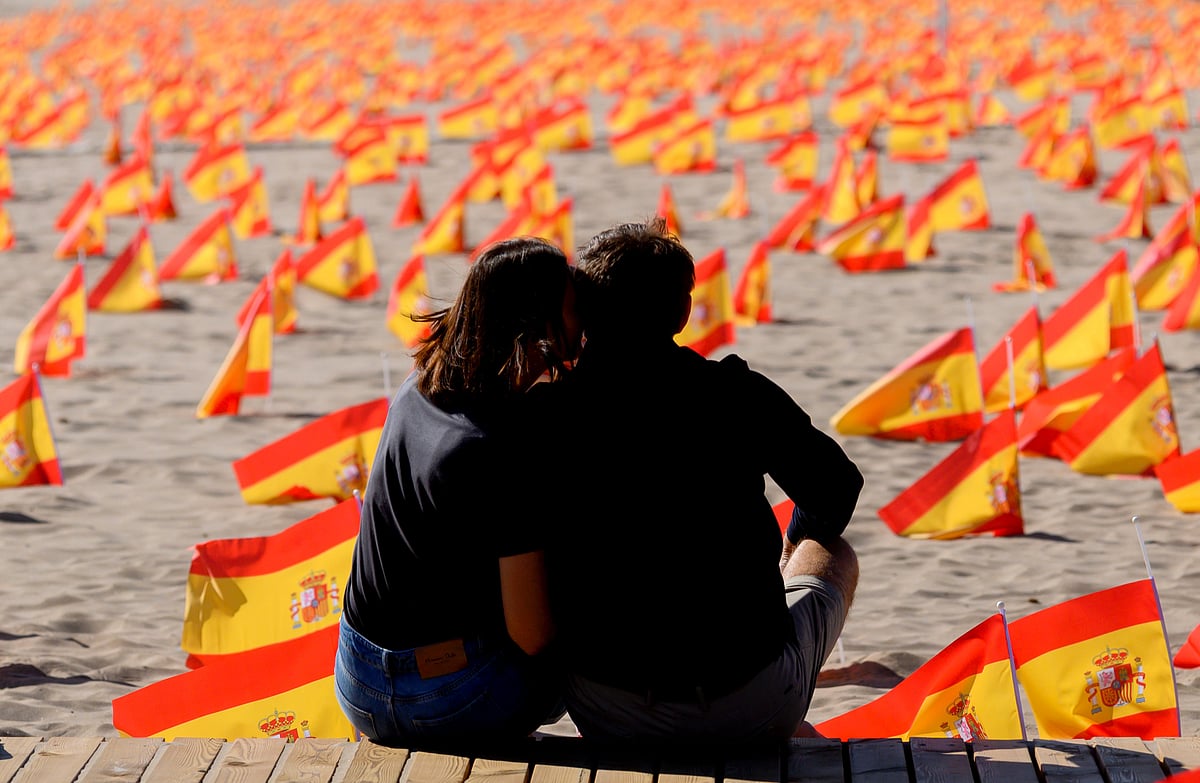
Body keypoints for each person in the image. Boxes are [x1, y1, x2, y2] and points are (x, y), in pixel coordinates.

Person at [535, 218, 863, 745]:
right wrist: (795, 542)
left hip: (604, 708)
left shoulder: (547, 410)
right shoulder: (734, 394)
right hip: (747, 704)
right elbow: (837, 488)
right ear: (683, 313)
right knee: (834, 552)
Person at [335, 236, 580, 747]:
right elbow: (532, 636)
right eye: (573, 300)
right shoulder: (498, 447)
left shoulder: (418, 387)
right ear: (537, 322)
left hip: (357, 681)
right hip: (448, 698)